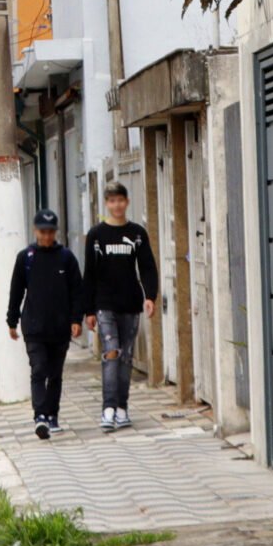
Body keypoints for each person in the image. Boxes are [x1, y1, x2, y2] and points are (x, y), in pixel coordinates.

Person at [82, 181, 159, 431]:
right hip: (104, 304)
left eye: (120, 200)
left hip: (130, 303)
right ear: (107, 203)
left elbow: (147, 266)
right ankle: (108, 408)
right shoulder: (96, 235)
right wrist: (88, 310)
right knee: (111, 352)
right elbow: (89, 273)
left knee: (125, 357)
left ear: (126, 202)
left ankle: (122, 408)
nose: (116, 205)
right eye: (112, 201)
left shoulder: (137, 233)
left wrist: (150, 296)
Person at [3, 208, 84, 440]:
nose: (46, 236)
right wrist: (12, 320)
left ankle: (52, 414)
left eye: (50, 232)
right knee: (39, 370)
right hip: (34, 327)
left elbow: (77, 291)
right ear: (35, 231)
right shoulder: (25, 258)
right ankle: (40, 416)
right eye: (42, 231)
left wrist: (76, 319)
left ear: (55, 232)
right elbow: (16, 291)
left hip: (59, 327)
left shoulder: (66, 258)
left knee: (55, 373)